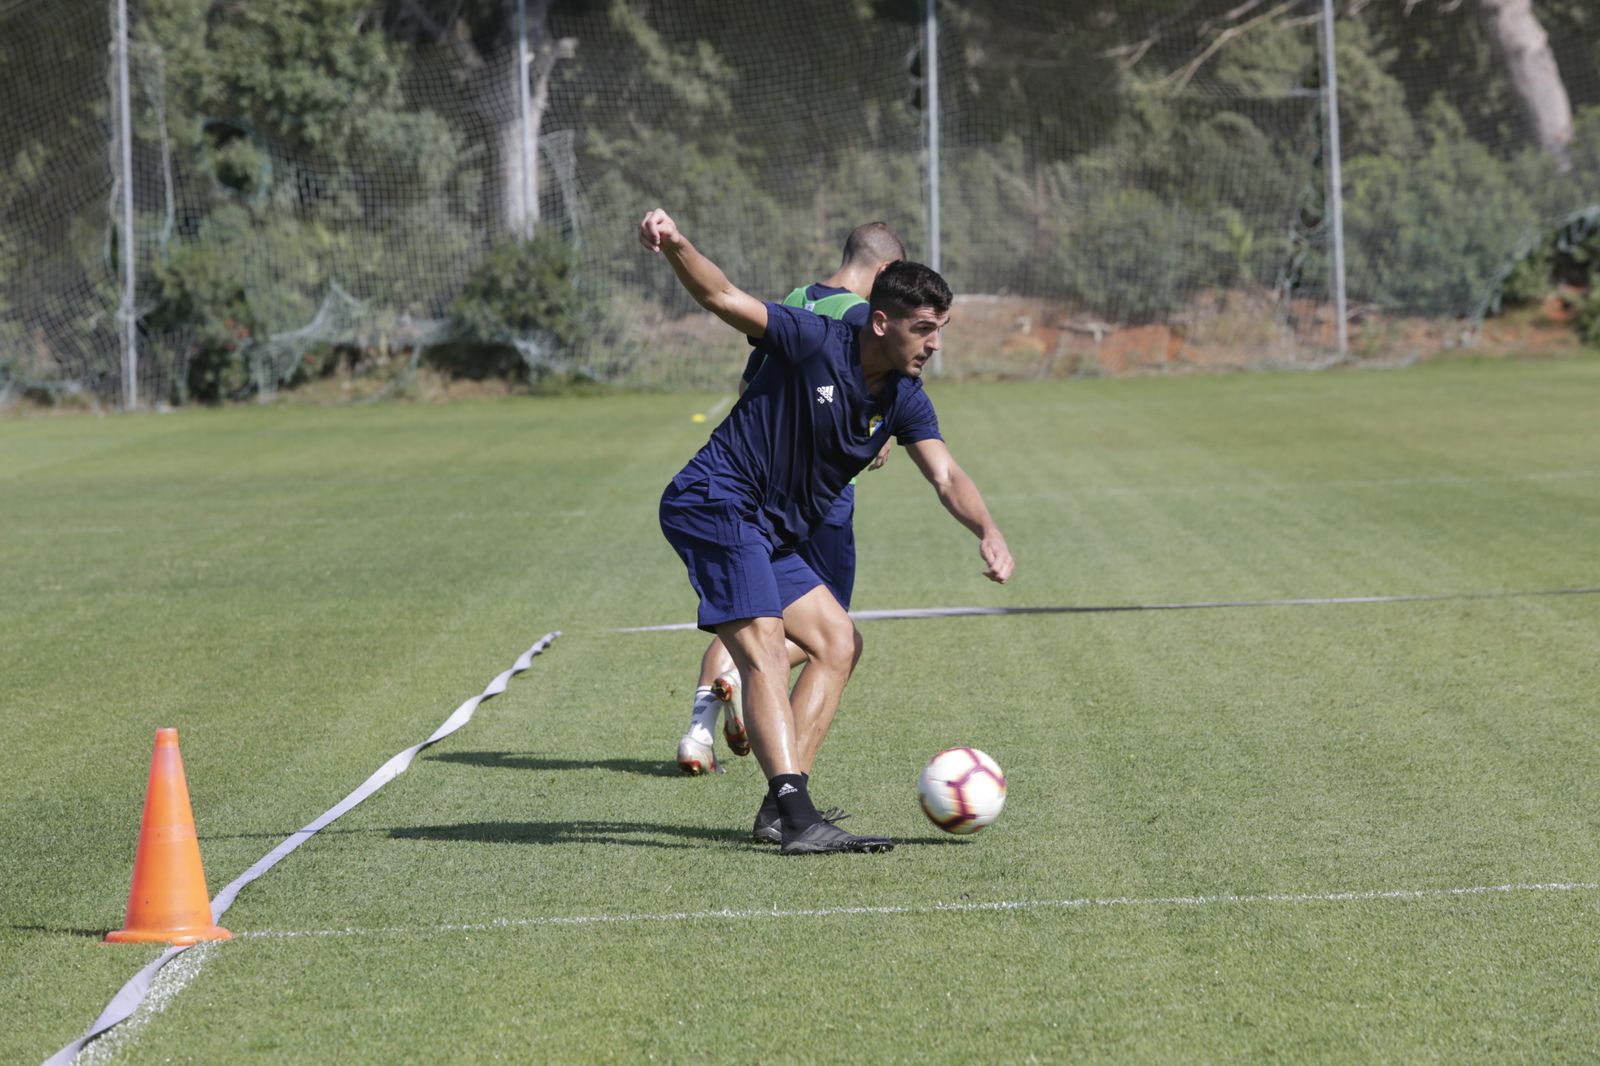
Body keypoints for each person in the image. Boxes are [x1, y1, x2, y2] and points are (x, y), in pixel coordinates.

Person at [640, 207, 1014, 856]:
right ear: (879, 321)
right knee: (761, 645)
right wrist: (675, 244)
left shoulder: (902, 395)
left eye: (940, 331)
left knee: (838, 641)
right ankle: (799, 813)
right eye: (923, 330)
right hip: (717, 502)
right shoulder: (813, 338)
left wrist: (987, 528)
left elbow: (947, 476)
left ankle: (777, 809)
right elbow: (721, 294)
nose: (933, 345)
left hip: (771, 530)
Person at [676, 222, 906, 778]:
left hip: (761, 490)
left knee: (748, 610)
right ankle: (783, 775)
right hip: (825, 499)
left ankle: (699, 729)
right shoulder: (863, 320)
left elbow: (749, 385)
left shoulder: (799, 301)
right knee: (829, 633)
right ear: (879, 276)